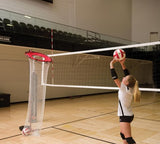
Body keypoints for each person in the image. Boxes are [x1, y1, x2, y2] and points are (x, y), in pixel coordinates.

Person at [110, 58, 141, 144]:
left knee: (128, 138)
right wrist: (122, 64)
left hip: (125, 115)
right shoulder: (131, 86)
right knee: (123, 134)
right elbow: (128, 76)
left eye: (124, 78)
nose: (123, 77)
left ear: (126, 83)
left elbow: (115, 78)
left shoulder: (124, 88)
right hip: (127, 114)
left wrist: (111, 64)